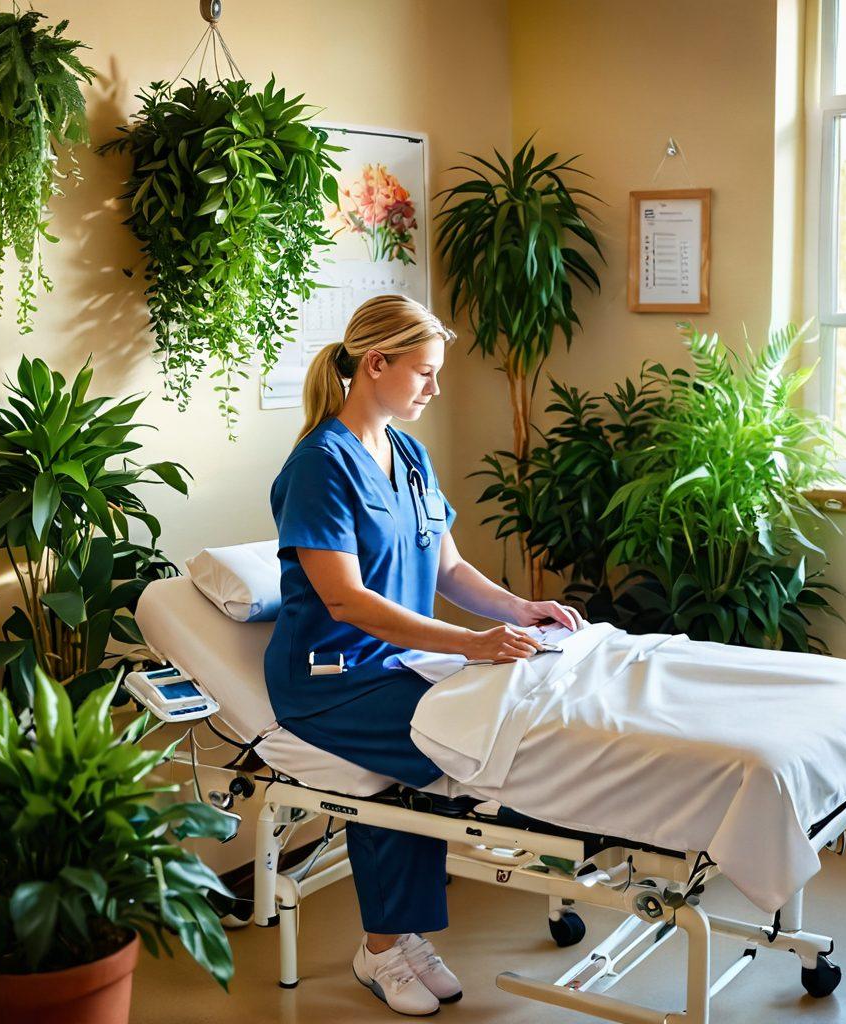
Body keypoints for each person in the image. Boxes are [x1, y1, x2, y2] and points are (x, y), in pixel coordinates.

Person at [264, 294, 580, 1016]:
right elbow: (344, 602)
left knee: (480, 712)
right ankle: (381, 950)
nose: (435, 388)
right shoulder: (320, 466)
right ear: (376, 364)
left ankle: (398, 939)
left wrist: (519, 609)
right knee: (440, 737)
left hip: (398, 665)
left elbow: (450, 571)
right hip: (329, 678)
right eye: (425, 372)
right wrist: (471, 644)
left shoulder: (408, 453)